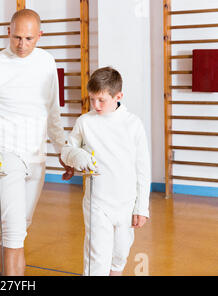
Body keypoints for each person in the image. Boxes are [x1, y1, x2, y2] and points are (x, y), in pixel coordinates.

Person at [0, 9, 73, 275]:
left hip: (37, 159)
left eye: (29, 39)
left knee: (19, 228)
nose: (22, 45)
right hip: (5, 159)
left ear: (40, 35)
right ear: (8, 32)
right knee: (14, 232)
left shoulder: (47, 62)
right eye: (17, 37)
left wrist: (62, 151)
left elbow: (53, 112)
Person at [61, 67, 151, 276]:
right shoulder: (85, 122)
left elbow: (143, 169)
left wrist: (142, 208)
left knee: (119, 256)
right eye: (92, 99)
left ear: (118, 96)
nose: (95, 105)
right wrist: (77, 156)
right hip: (97, 202)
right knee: (96, 258)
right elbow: (67, 150)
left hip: (126, 204)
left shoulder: (133, 124)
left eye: (101, 100)